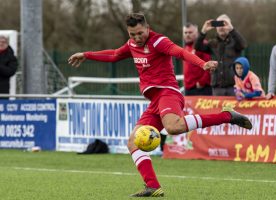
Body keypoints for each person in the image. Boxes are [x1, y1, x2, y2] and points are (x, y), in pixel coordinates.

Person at [68, 12, 252, 197]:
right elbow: (115, 54)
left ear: (147, 28)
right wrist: (86, 54)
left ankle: (227, 116)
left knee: (172, 127)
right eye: (132, 34)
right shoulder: (132, 44)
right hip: (155, 100)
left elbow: (180, 52)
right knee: (133, 142)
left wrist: (201, 64)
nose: (137, 38)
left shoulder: (158, 41)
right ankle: (153, 186)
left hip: (168, 93)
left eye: (140, 33)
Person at [195, 14, 247, 96]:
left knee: (233, 109)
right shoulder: (212, 43)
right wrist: (203, 31)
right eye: (218, 24)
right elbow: (197, 47)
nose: (221, 27)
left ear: (230, 25)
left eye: (224, 24)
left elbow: (243, 45)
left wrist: (232, 30)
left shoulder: (235, 42)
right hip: (217, 88)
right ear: (215, 27)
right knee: (218, 109)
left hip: (234, 87)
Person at [183, 22, 212, 96]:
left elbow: (209, 65)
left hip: (201, 88)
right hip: (188, 88)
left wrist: (202, 82)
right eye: (185, 32)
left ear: (197, 33)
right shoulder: (185, 47)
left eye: (190, 32)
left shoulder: (202, 45)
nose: (187, 35)